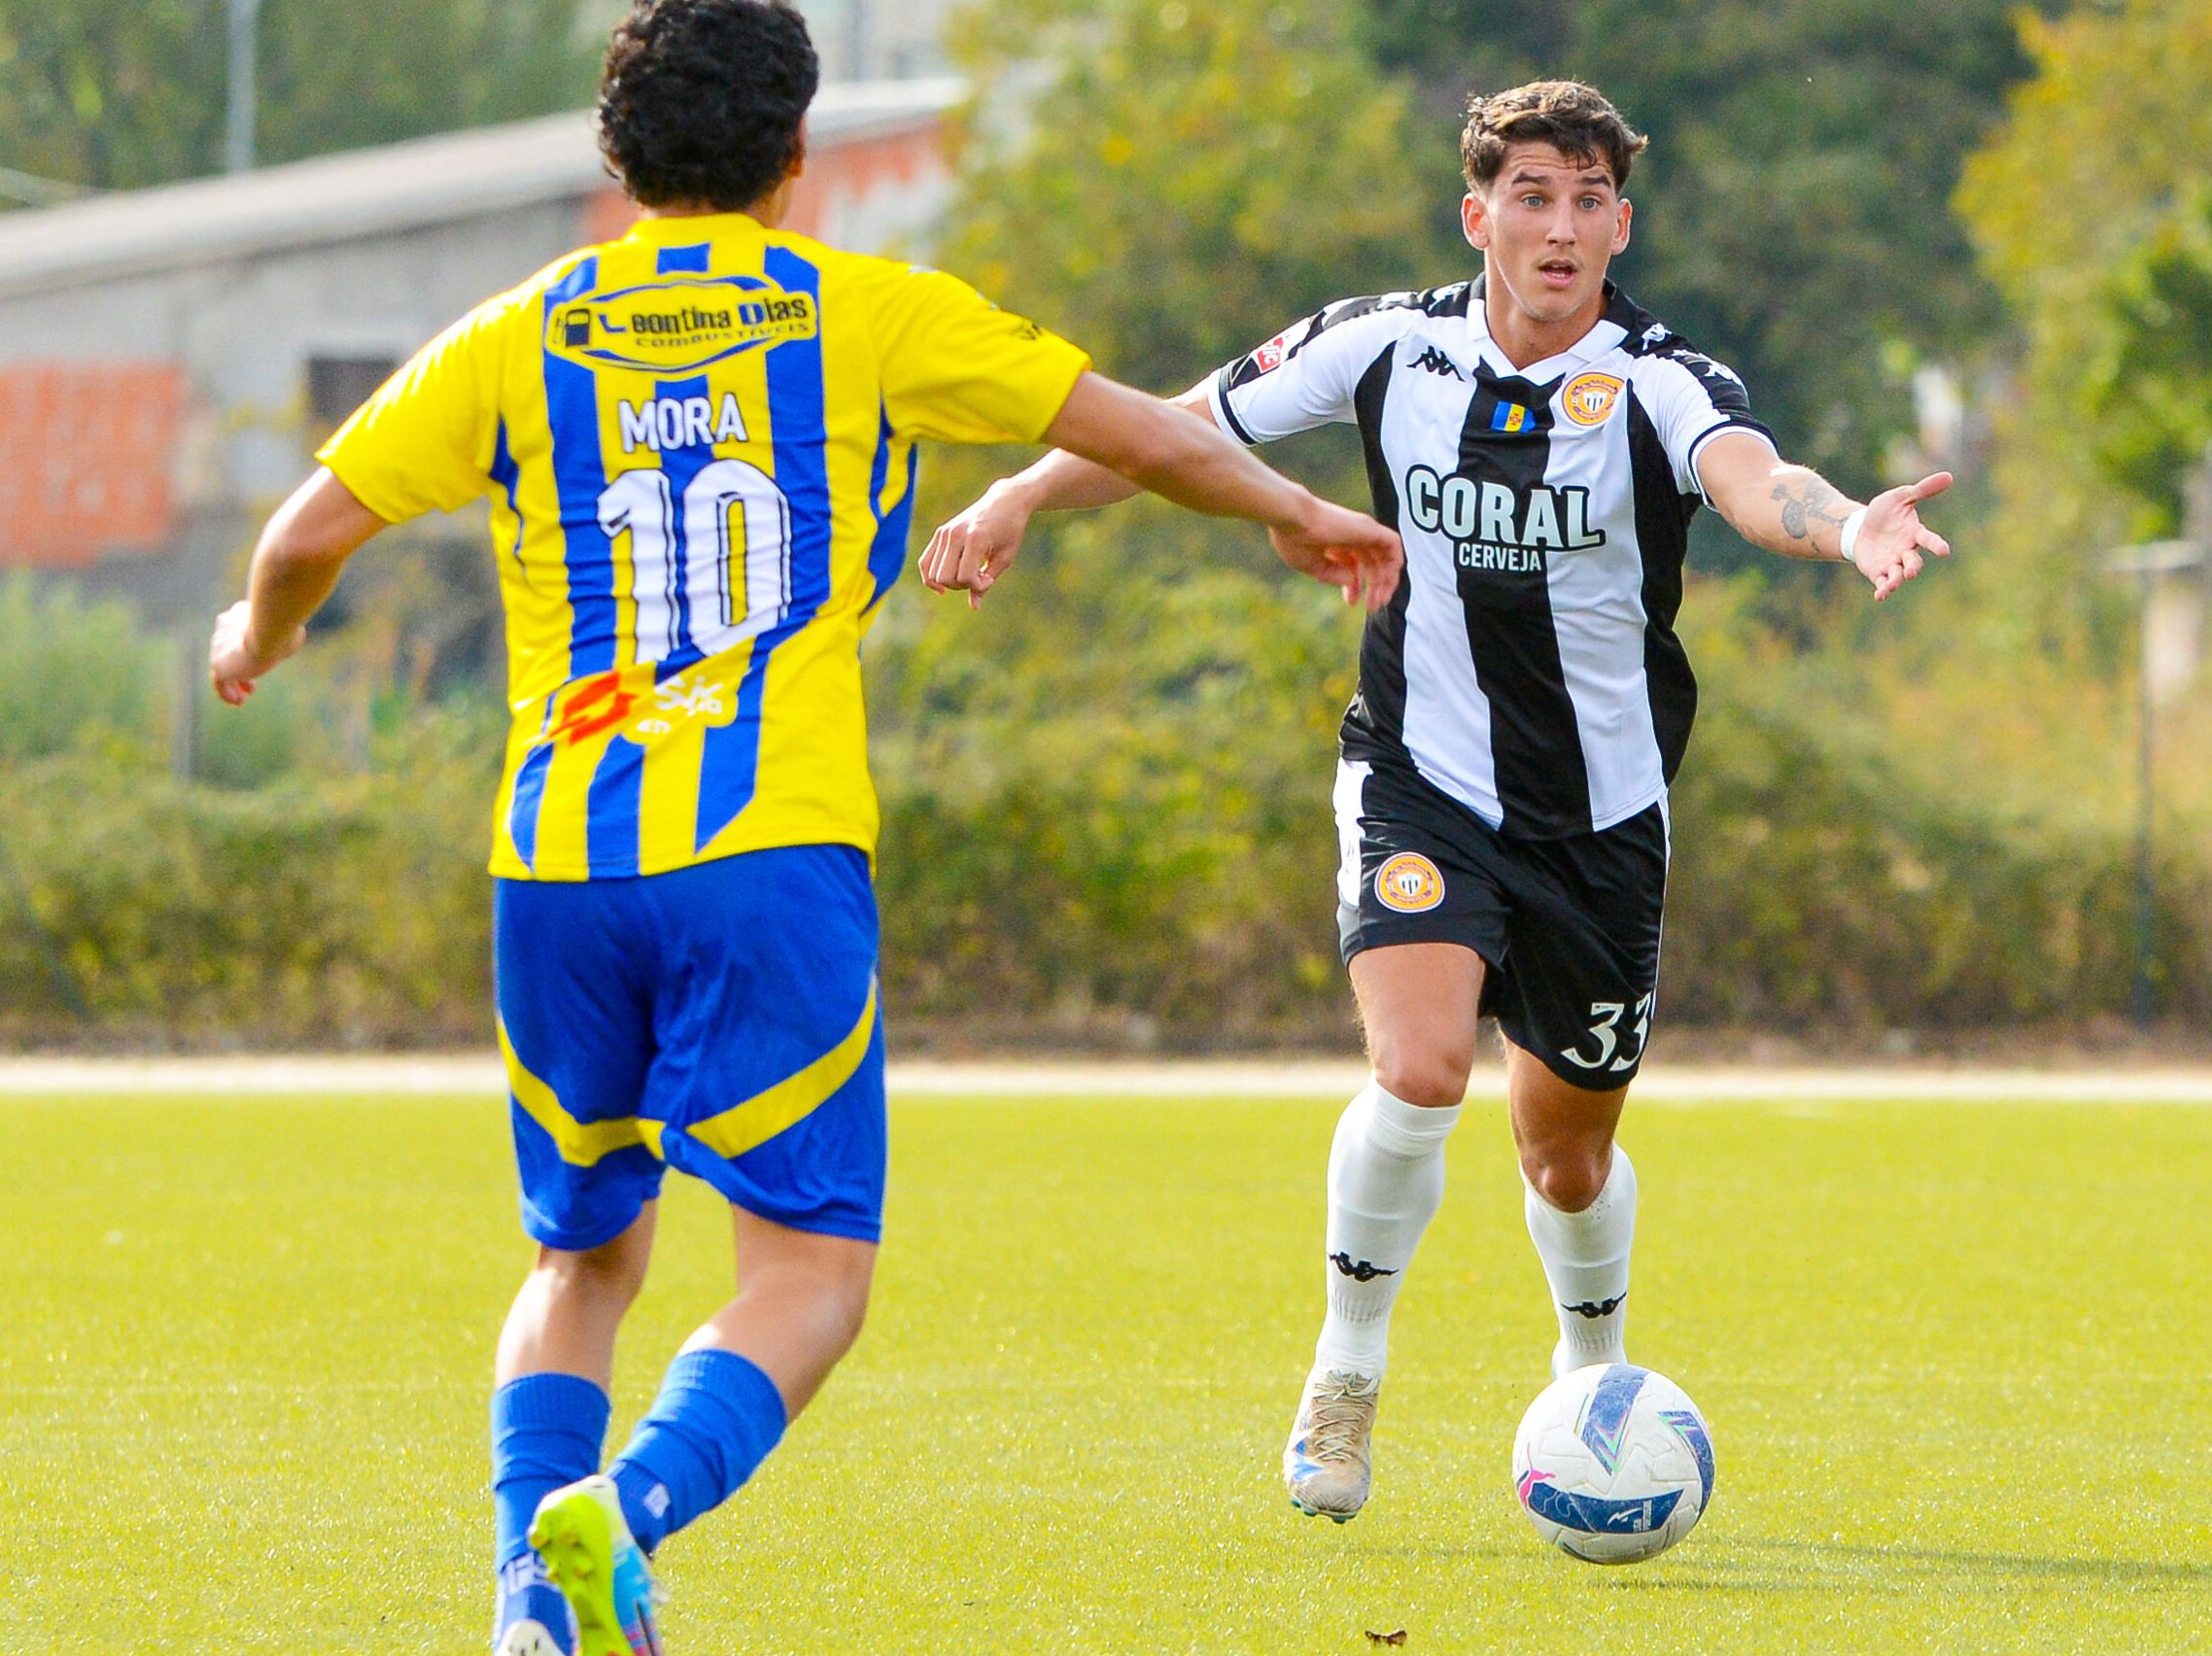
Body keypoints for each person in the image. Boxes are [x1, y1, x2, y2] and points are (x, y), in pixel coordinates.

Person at [207, 3, 1400, 1649]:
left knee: (581, 1261)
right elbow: (1132, 430)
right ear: (791, 156)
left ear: (615, 159)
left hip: (553, 864)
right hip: (764, 853)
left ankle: (522, 1606)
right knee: (809, 1276)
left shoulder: (516, 333)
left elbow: (305, 531)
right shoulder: (865, 312)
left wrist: (254, 641)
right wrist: (1295, 505)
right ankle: (616, 1513)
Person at [919, 78, 1951, 1523]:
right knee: (1417, 1070)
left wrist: (1845, 524)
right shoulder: (1386, 344)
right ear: (1479, 216)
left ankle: (1591, 1384)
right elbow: (1175, 428)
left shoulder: (1658, 378)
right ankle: (1346, 1372)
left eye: (1591, 200)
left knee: (1567, 1153)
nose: (1562, 226)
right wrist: (1021, 495)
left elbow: (1751, 478)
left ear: (1620, 226)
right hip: (1421, 775)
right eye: (1533, 196)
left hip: (1603, 821)